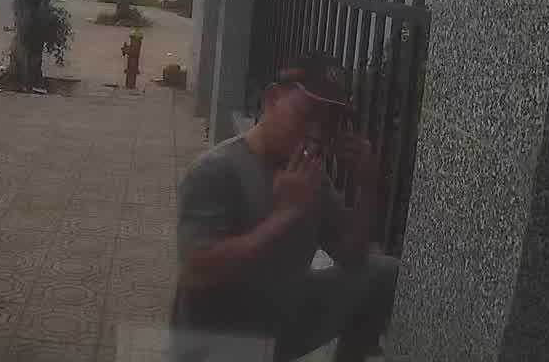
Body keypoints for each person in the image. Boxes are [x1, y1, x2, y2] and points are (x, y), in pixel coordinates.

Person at [170, 55, 398, 362]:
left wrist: (368, 188)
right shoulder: (216, 170)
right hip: (218, 343)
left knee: (384, 275)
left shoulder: (309, 176)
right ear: (272, 99)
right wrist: (284, 216)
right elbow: (198, 271)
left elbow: (351, 254)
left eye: (329, 121)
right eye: (308, 113)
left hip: (279, 316)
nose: (317, 132)